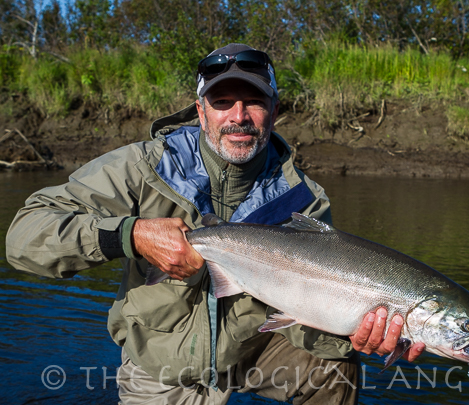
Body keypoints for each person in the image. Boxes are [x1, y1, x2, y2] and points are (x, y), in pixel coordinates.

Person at [6, 43, 424, 404]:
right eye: (223, 101)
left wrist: (352, 333)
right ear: (201, 111)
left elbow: (304, 323)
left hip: (251, 353)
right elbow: (24, 237)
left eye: (254, 101)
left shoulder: (302, 200)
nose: (238, 116)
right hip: (161, 368)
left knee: (336, 368)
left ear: (274, 110)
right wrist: (128, 235)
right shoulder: (142, 168)